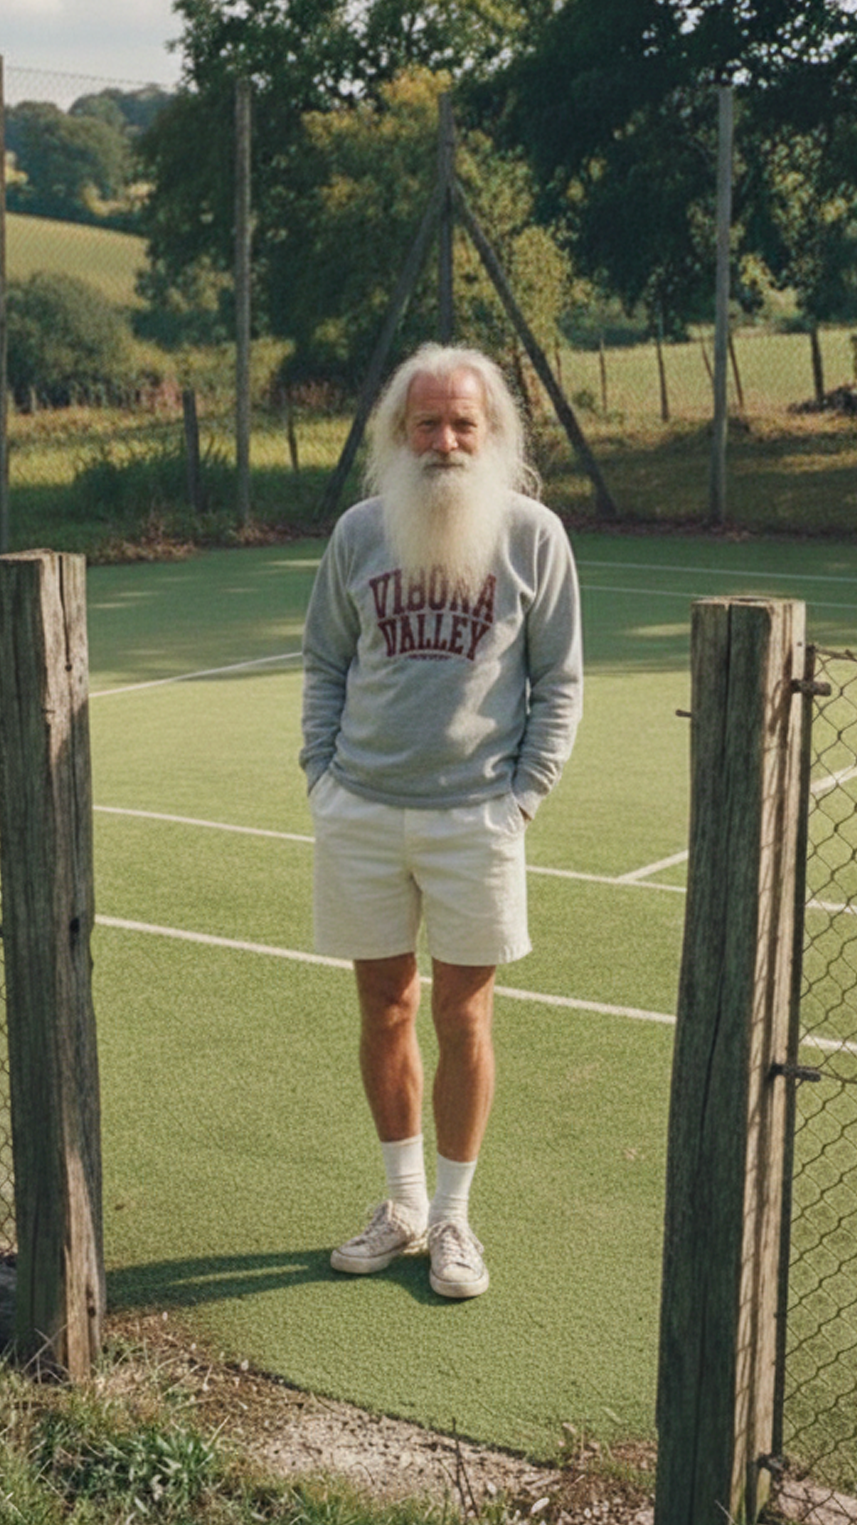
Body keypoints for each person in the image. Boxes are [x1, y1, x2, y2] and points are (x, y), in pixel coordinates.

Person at [299, 343, 583, 1300]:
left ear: (491, 433)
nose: (446, 441)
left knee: (464, 1015)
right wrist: (322, 779)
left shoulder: (534, 536)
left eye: (465, 424)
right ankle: (404, 1206)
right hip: (362, 809)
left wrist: (523, 797)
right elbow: (324, 661)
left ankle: (456, 1220)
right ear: (399, 432)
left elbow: (560, 680)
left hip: (475, 817)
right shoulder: (360, 533)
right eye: (428, 423)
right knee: (384, 1007)